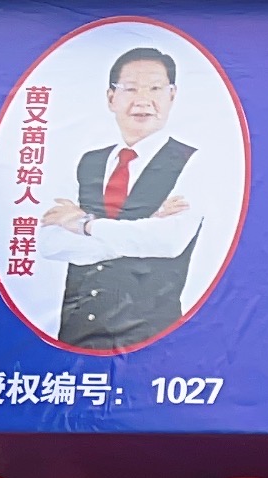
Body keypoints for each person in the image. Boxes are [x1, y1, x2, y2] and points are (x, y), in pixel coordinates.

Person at [38, 45, 209, 350]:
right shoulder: (86, 161)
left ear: (172, 95)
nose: (142, 100)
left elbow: (168, 242)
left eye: (155, 88)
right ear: (110, 97)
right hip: (76, 333)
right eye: (130, 88)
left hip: (151, 338)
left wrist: (85, 224)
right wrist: (139, 231)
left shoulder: (195, 162)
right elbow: (50, 242)